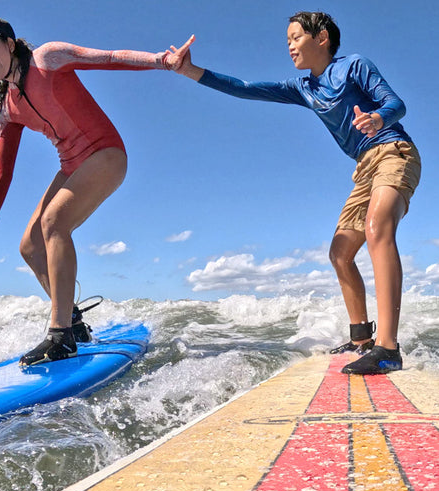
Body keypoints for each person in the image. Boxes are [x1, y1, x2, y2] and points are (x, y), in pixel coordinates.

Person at [169, 12, 421, 374]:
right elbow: (246, 87)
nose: (289, 46)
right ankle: (362, 338)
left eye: (296, 37)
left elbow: (397, 103)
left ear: (322, 39)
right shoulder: (304, 88)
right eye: (287, 40)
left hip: (394, 151)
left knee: (377, 227)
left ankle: (388, 348)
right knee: (340, 253)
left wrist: (379, 118)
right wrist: (192, 72)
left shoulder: (353, 66)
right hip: (364, 169)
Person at [0, 16, 192, 366]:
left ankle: (59, 335)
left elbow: (109, 57)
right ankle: (75, 323)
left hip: (106, 155)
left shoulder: (48, 59)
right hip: (71, 166)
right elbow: (2, 172)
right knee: (30, 246)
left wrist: (162, 60)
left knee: (54, 221)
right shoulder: (7, 107)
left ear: (9, 43)